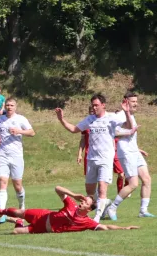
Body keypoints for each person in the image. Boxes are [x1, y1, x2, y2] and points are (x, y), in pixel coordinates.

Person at [55, 94, 132, 222]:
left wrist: (127, 112)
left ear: (103, 105)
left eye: (96, 105)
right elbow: (74, 129)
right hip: (92, 159)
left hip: (106, 159)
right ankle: (105, 203)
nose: (94, 107)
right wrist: (61, 119)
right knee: (90, 192)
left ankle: (96, 218)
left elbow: (128, 126)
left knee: (102, 187)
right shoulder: (89, 119)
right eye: (93, 105)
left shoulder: (111, 117)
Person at [0, 186, 139, 234]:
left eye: (85, 202)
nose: (82, 202)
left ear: (89, 209)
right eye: (83, 200)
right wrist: (74, 194)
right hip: (43, 215)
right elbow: (57, 188)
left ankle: (18, 223)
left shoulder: (86, 222)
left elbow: (106, 227)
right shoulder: (71, 204)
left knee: (16, 233)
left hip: (43, 228)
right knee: (19, 212)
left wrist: (125, 227)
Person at [107, 92, 155, 219]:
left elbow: (129, 135)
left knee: (147, 179)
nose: (136, 104)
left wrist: (139, 149)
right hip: (126, 152)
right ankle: (112, 208)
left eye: (136, 101)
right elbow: (116, 132)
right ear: (125, 101)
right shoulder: (119, 115)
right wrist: (129, 131)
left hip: (134, 151)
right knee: (133, 184)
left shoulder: (131, 116)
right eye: (133, 101)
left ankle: (143, 211)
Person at [0, 98, 36, 224]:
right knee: (2, 181)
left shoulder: (21, 119)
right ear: (4, 106)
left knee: (17, 186)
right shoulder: (0, 119)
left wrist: (19, 131)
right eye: (7, 105)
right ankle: (2, 212)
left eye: (12, 105)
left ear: (15, 107)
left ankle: (22, 206)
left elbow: (32, 133)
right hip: (3, 154)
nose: (9, 107)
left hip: (16, 155)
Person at [76, 106, 128, 195]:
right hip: (90, 155)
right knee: (93, 181)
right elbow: (83, 140)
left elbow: (117, 133)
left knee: (121, 174)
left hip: (109, 153)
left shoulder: (107, 121)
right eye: (91, 111)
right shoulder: (87, 124)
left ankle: (121, 192)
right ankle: (97, 199)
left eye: (94, 110)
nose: (93, 112)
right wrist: (80, 154)